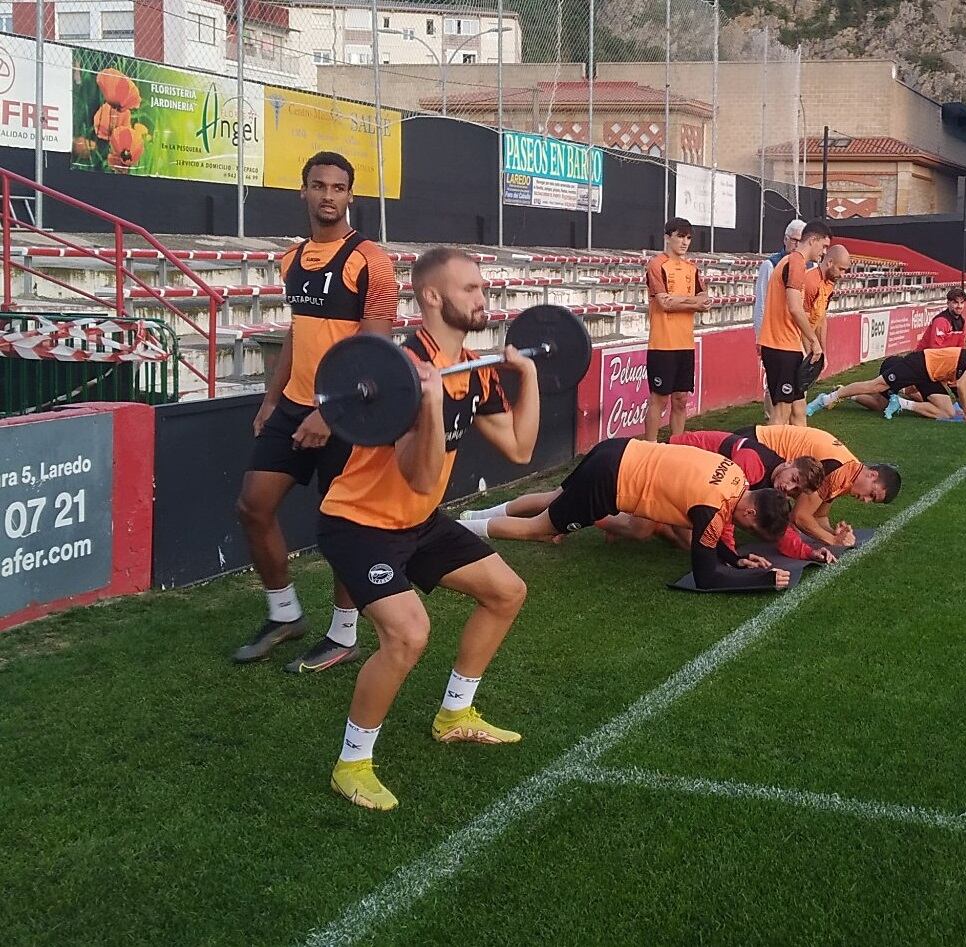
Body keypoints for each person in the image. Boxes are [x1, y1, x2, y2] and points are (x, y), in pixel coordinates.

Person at [320, 247, 541, 812]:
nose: (483, 298)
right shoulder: (399, 371)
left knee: (506, 592)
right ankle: (352, 764)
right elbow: (419, 476)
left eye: (483, 288)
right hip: (358, 524)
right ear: (432, 297)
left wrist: (530, 376)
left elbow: (519, 447)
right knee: (407, 635)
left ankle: (455, 713)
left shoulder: (471, 366)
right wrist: (430, 403)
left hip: (417, 522)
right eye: (470, 289)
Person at [233, 152, 398, 674]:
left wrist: (331, 414)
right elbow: (297, 333)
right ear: (302, 192)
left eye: (339, 187)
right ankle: (284, 614)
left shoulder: (371, 259)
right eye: (319, 185)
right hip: (294, 405)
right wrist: (270, 398)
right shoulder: (290, 259)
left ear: (351, 197)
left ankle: (343, 633)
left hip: (348, 414)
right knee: (253, 506)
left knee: (341, 525)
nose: (329, 195)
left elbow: (377, 354)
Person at [460, 439, 795, 591]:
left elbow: (714, 543)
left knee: (553, 498)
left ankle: (475, 514)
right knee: (541, 529)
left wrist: (737, 559)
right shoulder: (712, 508)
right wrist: (760, 579)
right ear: (750, 509)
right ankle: (463, 529)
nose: (740, 526)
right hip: (609, 481)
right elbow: (706, 576)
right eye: (748, 523)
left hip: (618, 449)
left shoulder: (737, 476)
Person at [737, 424, 900, 551]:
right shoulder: (838, 470)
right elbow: (800, 517)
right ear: (872, 475)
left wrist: (835, 534)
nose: (866, 500)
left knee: (777, 520)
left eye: (871, 500)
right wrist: (832, 541)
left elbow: (819, 516)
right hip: (752, 445)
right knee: (760, 511)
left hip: (758, 448)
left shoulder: (849, 472)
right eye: (872, 494)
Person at [810, 347, 966, 423]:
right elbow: (961, 386)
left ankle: (901, 403)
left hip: (930, 377)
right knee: (875, 387)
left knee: (947, 412)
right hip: (920, 364)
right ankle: (828, 398)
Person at [757, 221, 832, 425]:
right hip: (782, 346)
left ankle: (801, 455)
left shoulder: (790, 262)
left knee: (798, 409)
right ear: (813, 240)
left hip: (784, 345)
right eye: (823, 246)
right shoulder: (796, 263)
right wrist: (814, 342)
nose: (824, 252)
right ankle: (770, 456)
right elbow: (795, 308)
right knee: (781, 412)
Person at [643, 217, 711, 442]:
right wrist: (693, 303)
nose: (684, 242)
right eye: (680, 237)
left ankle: (677, 444)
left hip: (685, 343)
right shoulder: (656, 265)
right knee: (659, 398)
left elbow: (704, 297)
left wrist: (689, 301)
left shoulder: (692, 268)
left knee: (681, 398)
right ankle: (650, 447)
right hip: (663, 343)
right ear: (667, 238)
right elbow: (664, 302)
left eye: (688, 238)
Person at [787, 244, 851, 426]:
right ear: (829, 262)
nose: (843, 275)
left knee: (798, 396)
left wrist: (822, 351)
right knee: (791, 398)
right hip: (793, 340)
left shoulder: (829, 284)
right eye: (841, 269)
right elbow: (800, 318)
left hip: (807, 342)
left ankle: (794, 433)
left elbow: (821, 318)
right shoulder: (810, 281)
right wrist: (811, 349)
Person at [753, 218, 806, 421]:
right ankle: (771, 422)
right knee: (777, 389)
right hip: (775, 336)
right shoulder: (771, 264)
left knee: (796, 388)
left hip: (794, 335)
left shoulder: (804, 264)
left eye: (801, 240)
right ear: (785, 239)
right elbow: (762, 303)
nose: (796, 245)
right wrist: (760, 335)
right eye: (794, 240)